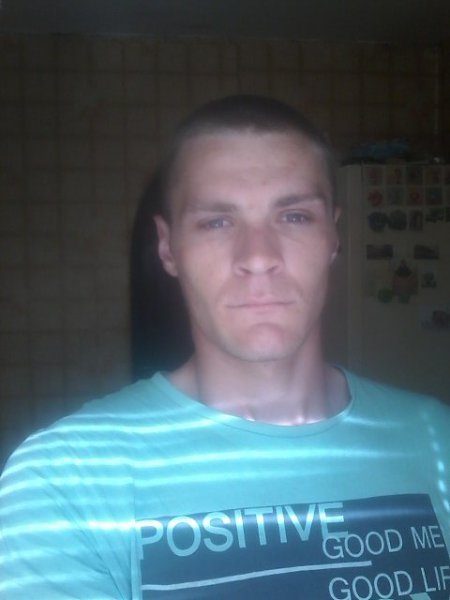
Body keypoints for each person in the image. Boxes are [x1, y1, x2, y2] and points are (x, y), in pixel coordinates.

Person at [1, 95, 449, 600]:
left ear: (333, 236)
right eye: (216, 222)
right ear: (168, 247)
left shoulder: (436, 439)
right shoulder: (64, 480)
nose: (257, 257)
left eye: (294, 216)